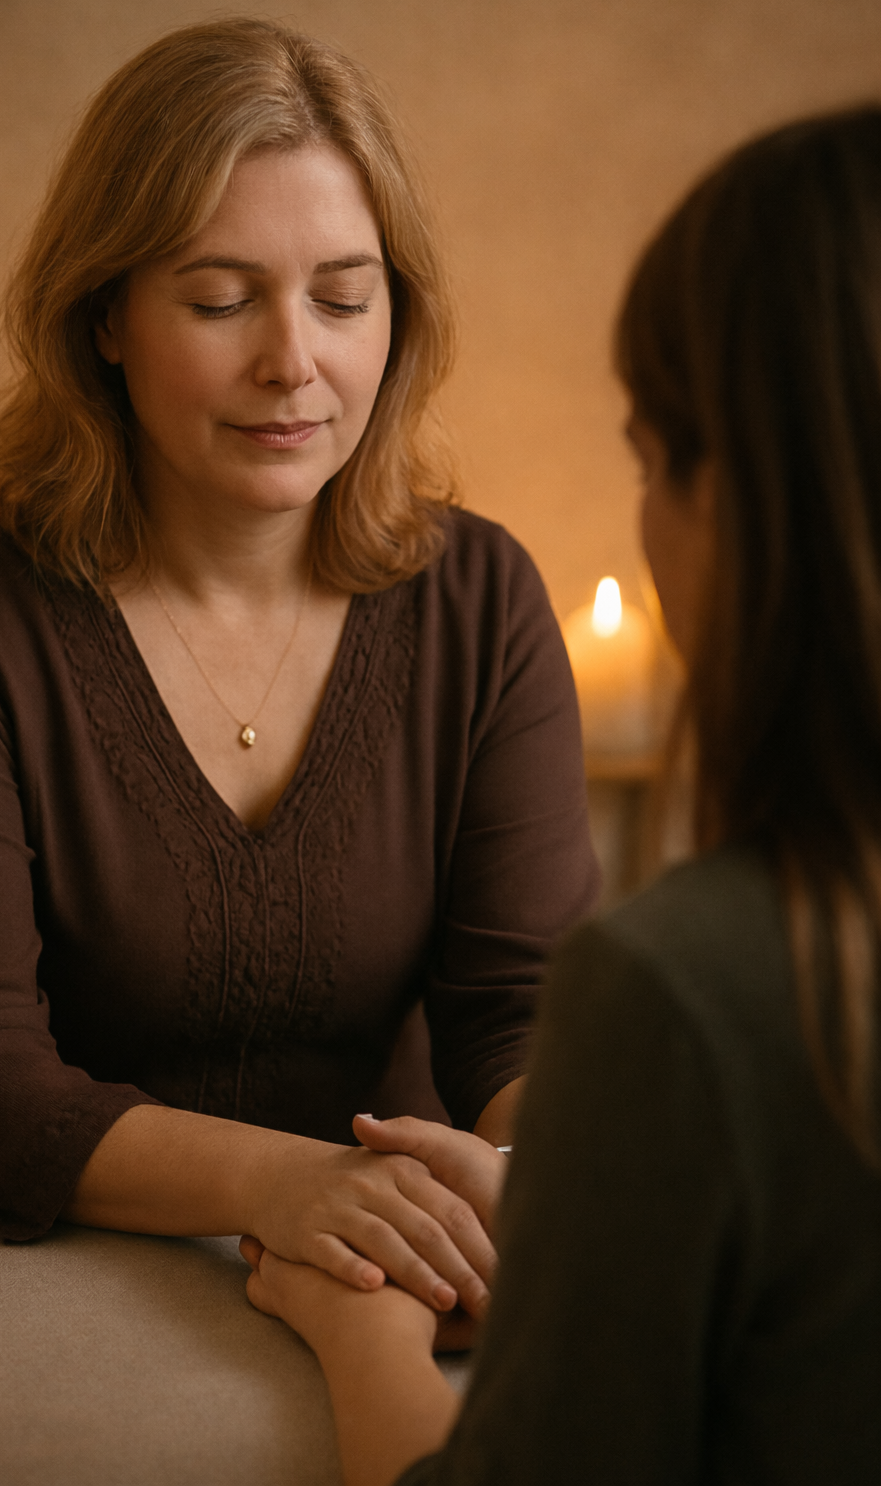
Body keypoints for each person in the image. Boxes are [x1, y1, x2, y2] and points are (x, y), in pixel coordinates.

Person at [0, 18, 598, 1323]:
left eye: (343, 296)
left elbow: (519, 1005)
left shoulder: (482, 601)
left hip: (376, 1261)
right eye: (218, 299)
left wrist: (547, 1176)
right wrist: (290, 1187)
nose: (293, 363)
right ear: (106, 318)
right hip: (16, 1276)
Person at [242, 107, 881, 1484]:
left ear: (765, 502)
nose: (288, 358)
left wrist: (361, 1329)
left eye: (655, 459)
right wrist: (570, 1186)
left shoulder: (691, 988)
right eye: (220, 296)